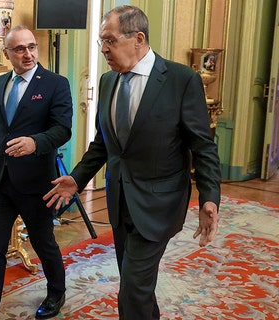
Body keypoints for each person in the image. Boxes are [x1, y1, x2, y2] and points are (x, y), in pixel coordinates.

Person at [43, 6, 221, 320]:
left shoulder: (181, 80)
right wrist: (77, 178)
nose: (103, 49)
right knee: (135, 282)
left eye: (110, 40)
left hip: (159, 204)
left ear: (138, 38)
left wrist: (209, 197)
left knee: (132, 290)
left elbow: (202, 146)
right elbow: (103, 143)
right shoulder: (109, 81)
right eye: (101, 41)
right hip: (121, 201)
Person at [0, 25, 73, 320]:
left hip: (37, 182)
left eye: (31, 47)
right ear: (7, 54)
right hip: (0, 180)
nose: (28, 54)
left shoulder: (55, 83)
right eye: (20, 49)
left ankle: (56, 292)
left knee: (43, 242)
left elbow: (63, 129)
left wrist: (35, 143)